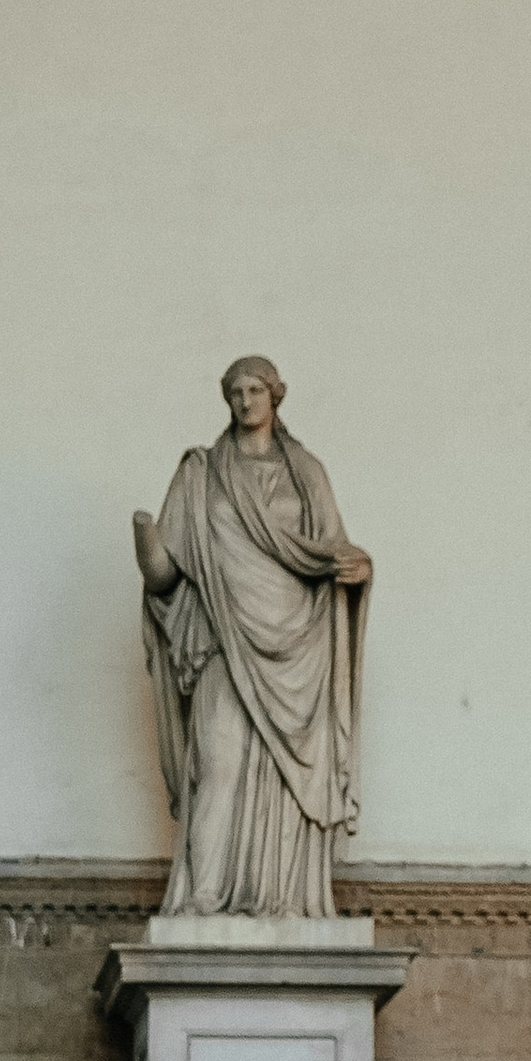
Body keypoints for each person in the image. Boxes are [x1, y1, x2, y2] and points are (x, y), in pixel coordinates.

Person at [135, 355, 371, 923]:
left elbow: (333, 549)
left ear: (275, 396)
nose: (245, 401)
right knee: (218, 762)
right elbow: (167, 574)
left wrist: (358, 569)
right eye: (235, 392)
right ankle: (203, 897)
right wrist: (145, 541)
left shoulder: (306, 472)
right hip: (224, 638)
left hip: (298, 651)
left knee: (288, 781)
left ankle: (286, 900)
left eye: (255, 390)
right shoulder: (199, 474)